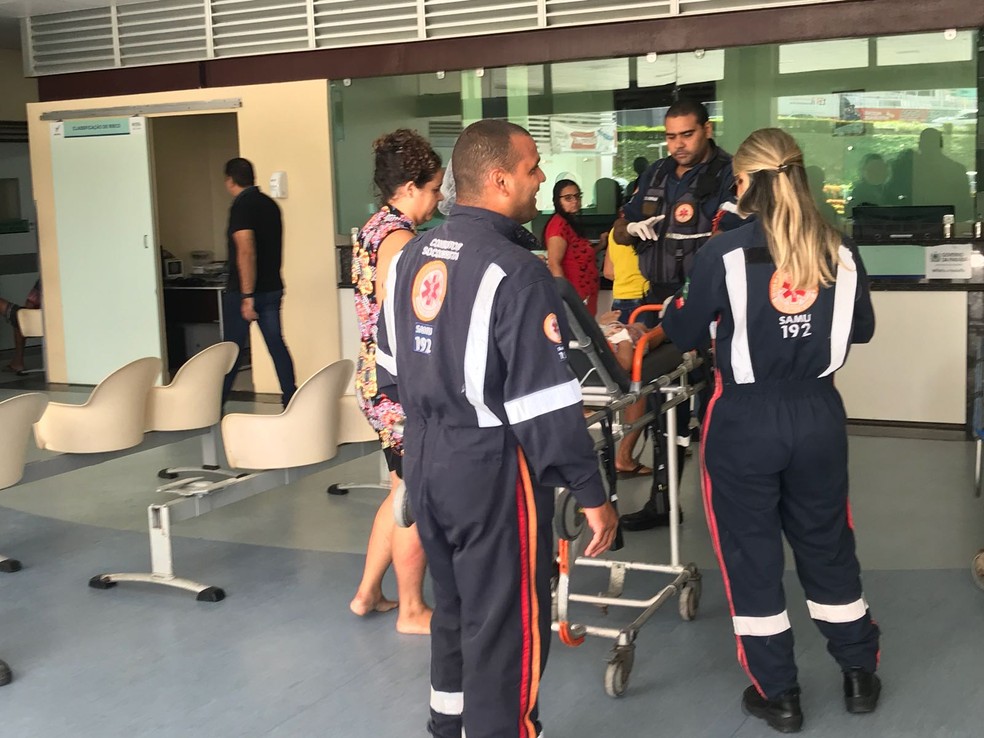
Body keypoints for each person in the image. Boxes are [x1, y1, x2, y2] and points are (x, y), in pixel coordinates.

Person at [374, 119, 619, 738]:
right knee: (506, 623)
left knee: (454, 608)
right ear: (501, 179)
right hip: (489, 467)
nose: (541, 180)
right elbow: (544, 404)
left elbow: (390, 377)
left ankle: (446, 725)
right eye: (534, 168)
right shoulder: (518, 271)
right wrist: (592, 494)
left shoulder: (410, 259)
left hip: (426, 458)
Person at [660, 128, 881, 733]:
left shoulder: (725, 251)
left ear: (746, 184)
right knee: (826, 541)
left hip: (745, 421)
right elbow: (859, 329)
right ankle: (860, 673)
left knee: (750, 555)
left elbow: (683, 330)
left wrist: (677, 310)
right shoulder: (840, 250)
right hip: (817, 416)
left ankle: (779, 693)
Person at [612, 99, 737, 531]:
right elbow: (619, 227)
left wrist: (687, 302)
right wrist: (630, 229)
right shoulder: (657, 174)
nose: (678, 144)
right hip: (657, 298)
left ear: (707, 129)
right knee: (665, 402)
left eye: (687, 134)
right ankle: (663, 499)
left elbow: (727, 241)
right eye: (670, 136)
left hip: (710, 304)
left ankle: (731, 504)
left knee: (716, 407)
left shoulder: (727, 175)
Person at [349, 129, 440, 635]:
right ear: (408, 187)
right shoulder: (402, 241)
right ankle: (411, 609)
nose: (439, 199)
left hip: (371, 375)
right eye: (433, 189)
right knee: (414, 497)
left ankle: (367, 595)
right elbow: (404, 319)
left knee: (398, 489)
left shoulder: (370, 229)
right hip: (398, 385)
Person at [221, 157, 297, 407]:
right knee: (277, 344)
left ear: (230, 180)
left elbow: (246, 249)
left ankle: (214, 404)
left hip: (247, 292)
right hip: (273, 287)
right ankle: (291, 397)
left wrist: (246, 296)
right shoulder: (270, 205)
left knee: (231, 350)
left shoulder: (241, 207)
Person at [544, 179, 600, 315]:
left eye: (577, 196)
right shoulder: (559, 225)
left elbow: (579, 256)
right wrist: (566, 298)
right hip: (574, 299)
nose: (575, 201)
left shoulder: (570, 223)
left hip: (585, 297)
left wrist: (601, 245)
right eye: (568, 198)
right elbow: (554, 263)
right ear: (558, 201)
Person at [913, 127, 972, 223]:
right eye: (927, 144)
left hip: (944, 222)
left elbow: (964, 203)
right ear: (941, 145)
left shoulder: (910, 168)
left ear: (919, 145)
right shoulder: (957, 168)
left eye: (930, 144)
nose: (928, 147)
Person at [0, 279, 41, 374]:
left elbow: (29, 305)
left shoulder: (44, 279)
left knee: (20, 316)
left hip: (42, 321)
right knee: (20, 317)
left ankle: (17, 362)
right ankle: (17, 362)